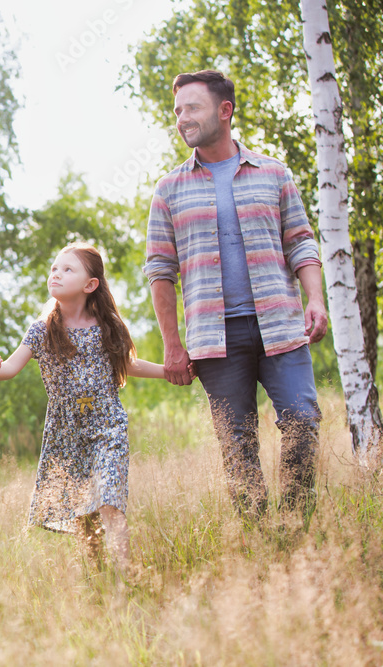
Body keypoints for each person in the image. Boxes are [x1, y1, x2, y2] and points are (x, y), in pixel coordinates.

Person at [144, 69, 328, 519]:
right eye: (177, 110)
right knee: (236, 443)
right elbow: (160, 271)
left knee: (303, 422)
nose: (182, 118)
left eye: (193, 108)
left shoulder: (274, 173)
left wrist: (316, 299)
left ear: (224, 111)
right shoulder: (168, 190)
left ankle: (294, 525)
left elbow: (301, 241)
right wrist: (172, 344)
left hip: (281, 325)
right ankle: (258, 540)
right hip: (215, 338)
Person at [0, 242, 166, 568]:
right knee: (84, 514)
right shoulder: (41, 331)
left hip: (107, 422)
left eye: (67, 269)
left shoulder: (108, 327)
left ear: (90, 285)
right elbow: (9, 369)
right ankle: (98, 577)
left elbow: (129, 364)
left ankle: (126, 576)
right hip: (66, 431)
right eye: (54, 269)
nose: (56, 274)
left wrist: (169, 372)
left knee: (110, 500)